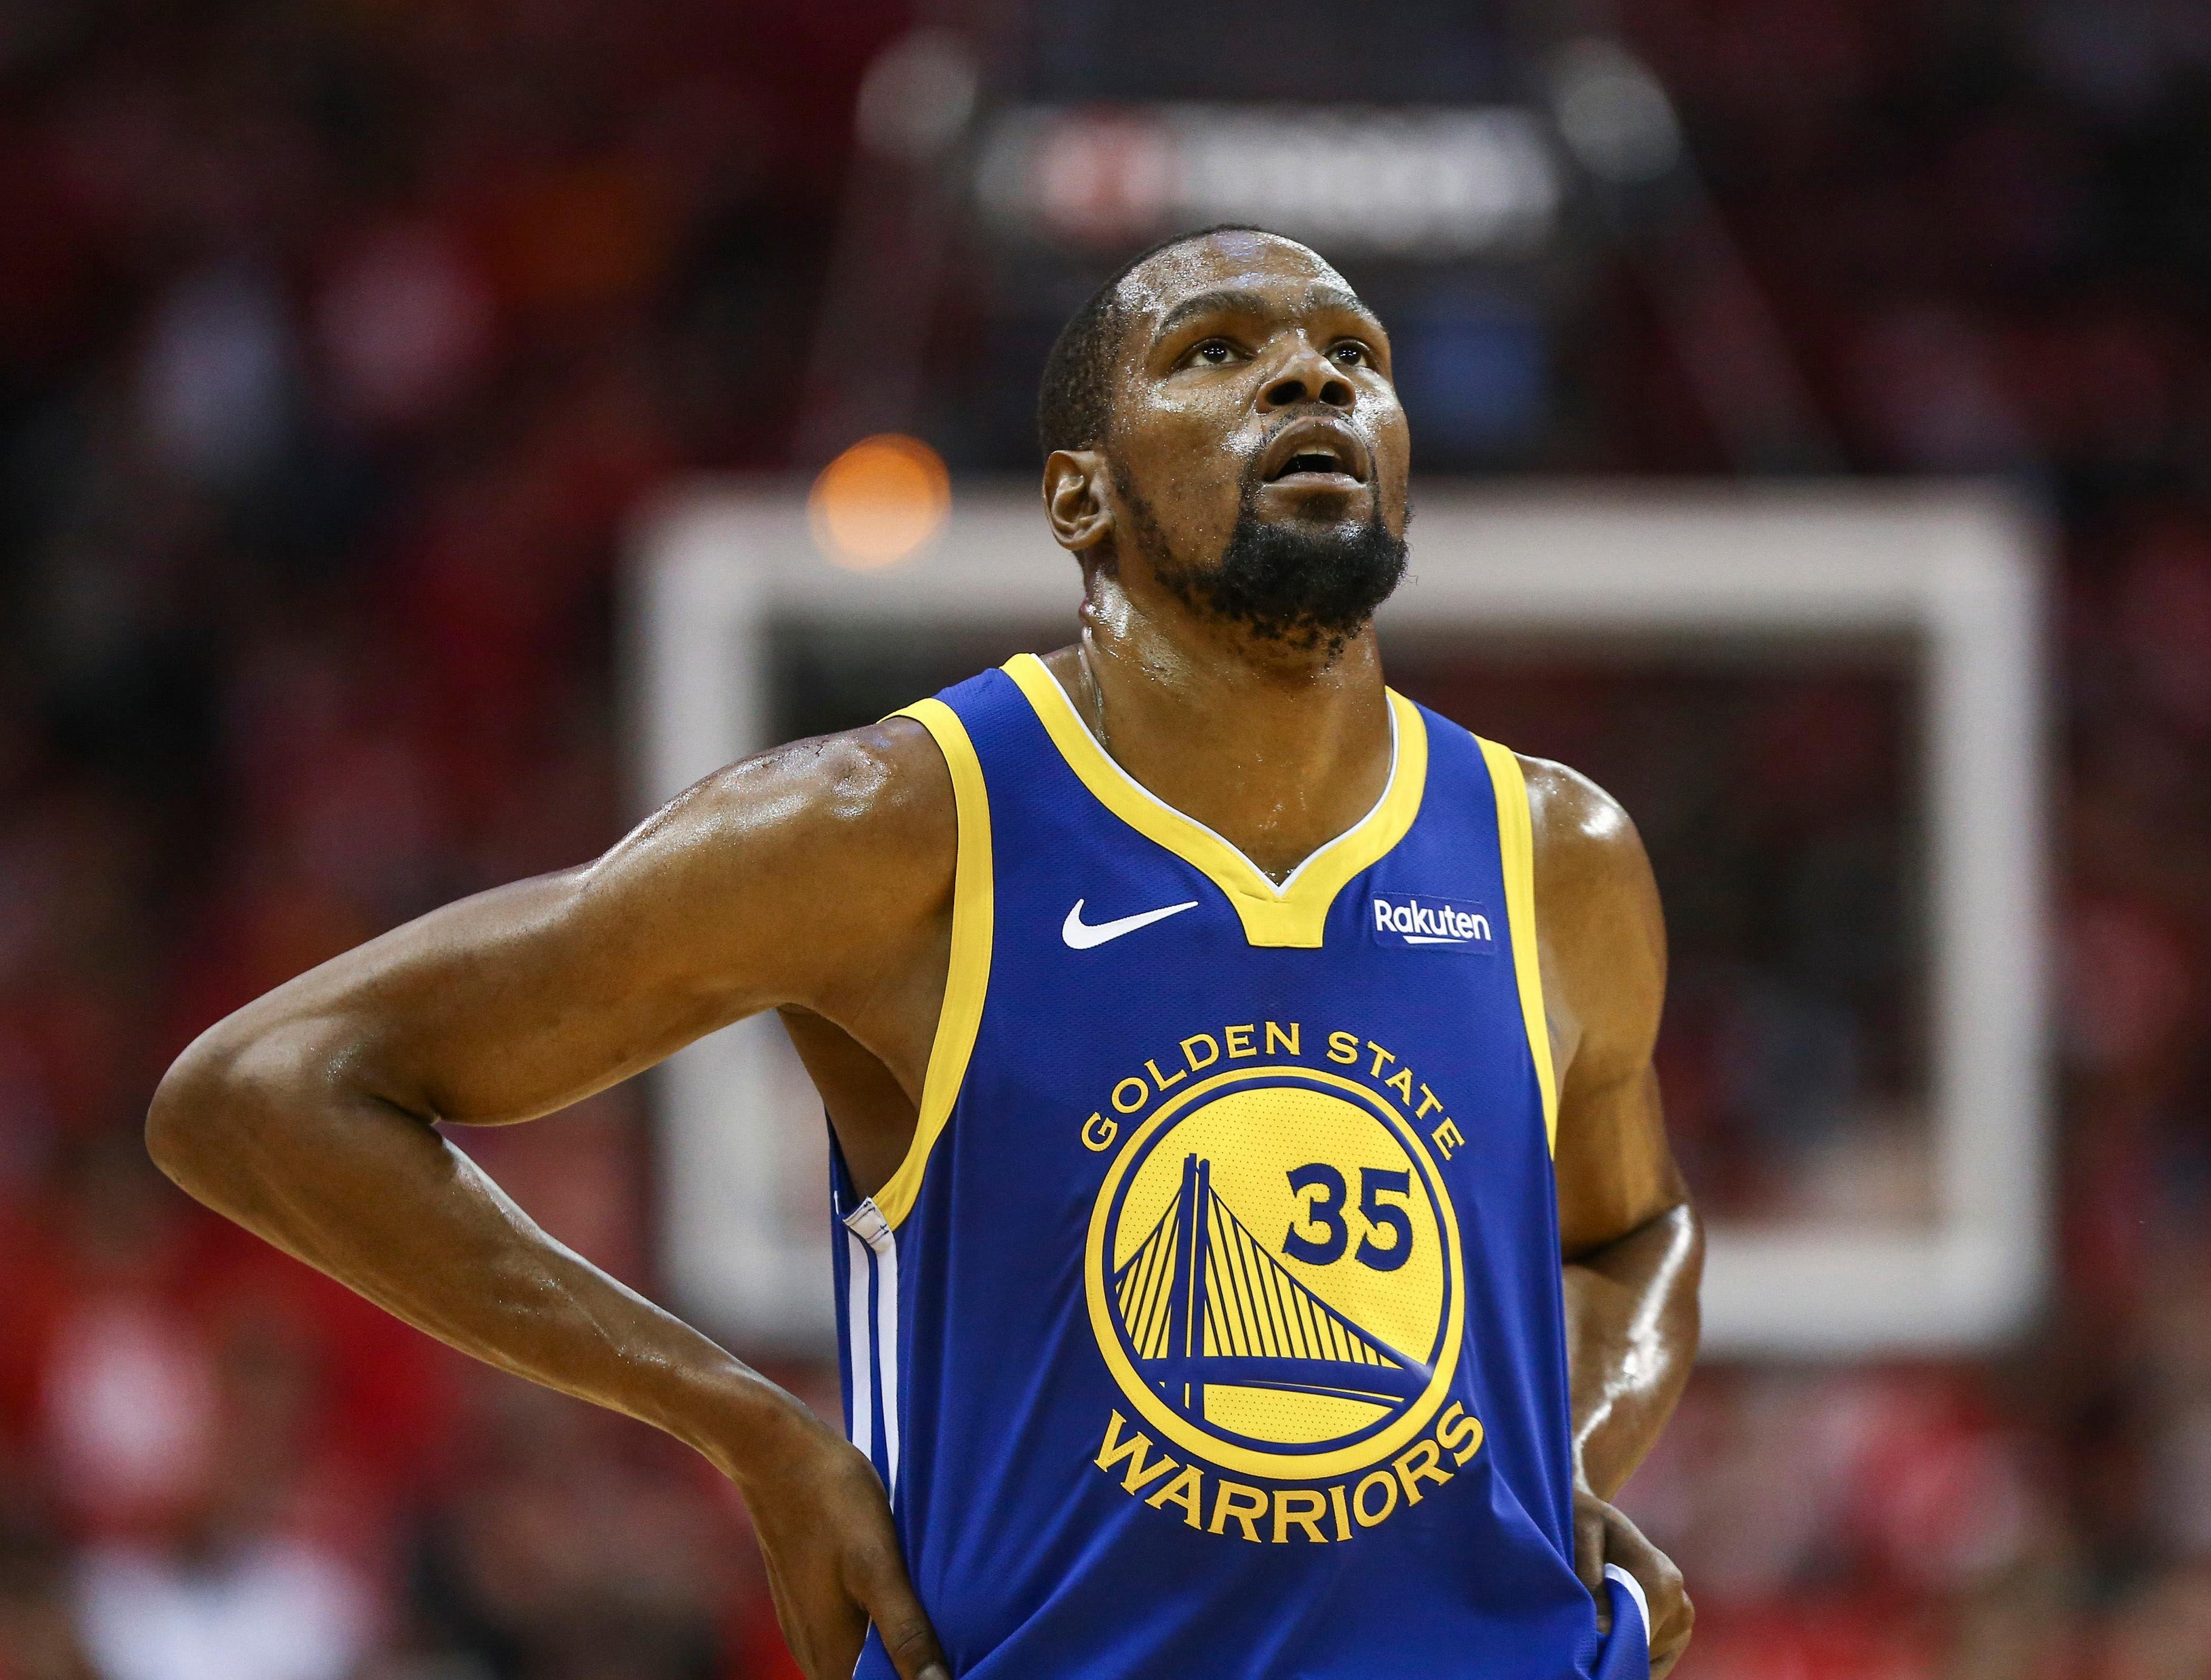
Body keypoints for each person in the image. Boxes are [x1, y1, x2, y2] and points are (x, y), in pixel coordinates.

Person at [148, 225, 1702, 1679]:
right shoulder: (893, 824)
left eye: (1354, 356)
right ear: (1078, 499)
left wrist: (1555, 1458)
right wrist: (747, 1427)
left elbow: (1635, 1239)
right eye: (1216, 353)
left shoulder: (1554, 853)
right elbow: (265, 1091)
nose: (1311, 379)